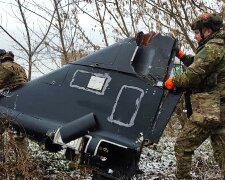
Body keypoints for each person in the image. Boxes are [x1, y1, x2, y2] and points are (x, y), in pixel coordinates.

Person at [164, 13, 225, 179]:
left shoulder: (213, 47)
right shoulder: (218, 45)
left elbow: (193, 75)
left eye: (197, 33)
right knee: (222, 154)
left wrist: (173, 81)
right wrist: (182, 56)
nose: (195, 36)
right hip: (220, 108)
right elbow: (201, 64)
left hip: (210, 109)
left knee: (183, 145)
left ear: (207, 31)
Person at [0, 51, 28, 164]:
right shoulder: (20, 67)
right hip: (21, 105)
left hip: (10, 105)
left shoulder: (5, 67)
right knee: (19, 135)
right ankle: (23, 164)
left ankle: (3, 161)